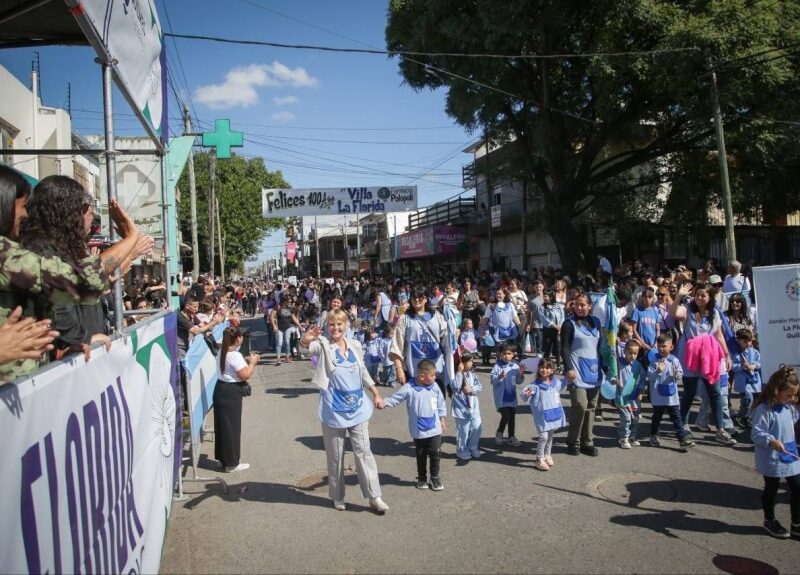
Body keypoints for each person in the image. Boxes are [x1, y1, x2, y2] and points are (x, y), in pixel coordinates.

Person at [300, 311, 388, 513]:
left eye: (340, 324)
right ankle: (338, 495)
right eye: (332, 324)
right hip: (334, 409)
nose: (336, 328)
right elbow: (307, 349)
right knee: (336, 455)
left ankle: (375, 496)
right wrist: (305, 339)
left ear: (347, 325)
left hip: (358, 407)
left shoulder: (355, 345)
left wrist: (375, 393)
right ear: (327, 325)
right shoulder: (322, 344)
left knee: (364, 452)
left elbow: (363, 371)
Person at [670, 282, 736, 446]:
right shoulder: (687, 310)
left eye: (703, 295)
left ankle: (721, 430)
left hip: (709, 357)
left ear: (710, 297)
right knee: (690, 392)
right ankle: (681, 425)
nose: (700, 298)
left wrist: (727, 355)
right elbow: (673, 313)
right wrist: (679, 295)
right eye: (697, 294)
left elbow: (719, 335)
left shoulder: (714, 313)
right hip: (690, 356)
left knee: (715, 393)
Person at [383, 358, 447, 491]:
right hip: (418, 430)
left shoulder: (435, 386)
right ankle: (422, 478)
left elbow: (441, 403)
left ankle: (435, 477)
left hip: (435, 428)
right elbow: (396, 399)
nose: (435, 377)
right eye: (432, 375)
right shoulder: (409, 387)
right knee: (421, 454)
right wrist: (383, 402)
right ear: (422, 376)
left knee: (435, 452)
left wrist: (442, 419)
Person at [750, 366, 799, 539]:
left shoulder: (789, 407)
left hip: (790, 453)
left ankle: (796, 524)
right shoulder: (764, 409)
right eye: (789, 395)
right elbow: (756, 433)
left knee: (797, 487)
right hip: (772, 456)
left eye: (794, 395)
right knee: (772, 488)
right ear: (777, 391)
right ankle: (769, 520)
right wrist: (771, 440)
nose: (792, 399)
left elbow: (792, 421)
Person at [560, 293, 603, 456]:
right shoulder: (569, 324)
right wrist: (568, 368)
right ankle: (573, 440)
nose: (579, 307)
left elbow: (600, 346)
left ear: (590, 306)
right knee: (580, 405)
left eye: (583, 305)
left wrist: (607, 367)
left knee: (591, 407)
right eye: (576, 304)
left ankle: (587, 441)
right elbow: (564, 347)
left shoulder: (596, 323)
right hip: (576, 370)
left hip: (594, 370)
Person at [389, 286, 449, 398]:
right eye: (414, 297)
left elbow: (446, 338)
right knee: (417, 408)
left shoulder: (436, 316)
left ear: (426, 299)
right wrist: (399, 369)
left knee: (438, 408)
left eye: (420, 297)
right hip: (414, 372)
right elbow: (397, 345)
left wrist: (454, 334)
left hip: (436, 372)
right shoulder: (405, 318)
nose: (417, 300)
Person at [215, 327, 260, 472]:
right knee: (232, 428)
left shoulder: (222, 350)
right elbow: (245, 375)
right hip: (231, 392)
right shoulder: (234, 355)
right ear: (239, 338)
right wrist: (252, 362)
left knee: (223, 427)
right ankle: (232, 463)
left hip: (221, 388)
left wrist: (245, 360)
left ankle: (224, 459)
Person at [647, 333, 695, 449]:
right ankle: (653, 436)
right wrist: (658, 371)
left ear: (671, 347)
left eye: (664, 346)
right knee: (657, 417)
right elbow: (650, 376)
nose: (661, 348)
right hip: (658, 396)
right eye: (659, 346)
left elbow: (680, 373)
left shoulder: (674, 360)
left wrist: (677, 374)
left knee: (676, 418)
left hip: (671, 396)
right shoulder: (654, 360)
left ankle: (682, 439)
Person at [523, 358, 566, 471]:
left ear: (552, 370)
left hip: (553, 413)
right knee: (543, 436)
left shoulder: (555, 382)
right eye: (542, 367)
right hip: (541, 415)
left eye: (547, 368)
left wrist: (569, 379)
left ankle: (547, 454)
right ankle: (539, 458)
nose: (544, 370)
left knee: (551, 435)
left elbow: (562, 385)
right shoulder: (535, 385)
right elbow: (523, 395)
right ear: (538, 369)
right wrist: (526, 394)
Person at [449, 353, 483, 460]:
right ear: (462, 362)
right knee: (463, 431)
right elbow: (455, 387)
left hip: (473, 407)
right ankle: (462, 450)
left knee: (476, 427)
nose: (472, 363)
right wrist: (459, 372)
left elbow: (479, 386)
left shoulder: (472, 374)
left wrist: (472, 389)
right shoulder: (454, 374)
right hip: (461, 409)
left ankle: (473, 446)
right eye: (470, 361)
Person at [491, 342, 525, 447]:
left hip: (512, 397)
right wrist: (499, 377)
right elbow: (493, 381)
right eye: (504, 353)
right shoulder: (497, 366)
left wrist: (520, 373)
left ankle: (511, 437)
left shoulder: (515, 366)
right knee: (505, 416)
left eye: (509, 354)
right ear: (500, 354)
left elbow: (518, 381)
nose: (507, 356)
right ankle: (499, 433)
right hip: (501, 398)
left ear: (513, 354)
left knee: (512, 418)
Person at [615, 340, 644, 449]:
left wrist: (640, 392)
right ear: (624, 351)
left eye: (635, 353)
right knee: (626, 417)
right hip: (622, 397)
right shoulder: (618, 363)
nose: (632, 356)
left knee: (634, 418)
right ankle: (623, 437)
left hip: (634, 397)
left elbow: (642, 380)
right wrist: (614, 380)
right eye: (630, 353)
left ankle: (632, 437)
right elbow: (610, 375)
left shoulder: (638, 365)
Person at [732, 328, 762, 428]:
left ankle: (749, 416)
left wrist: (754, 366)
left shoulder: (754, 351)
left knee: (755, 400)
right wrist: (741, 366)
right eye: (745, 341)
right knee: (747, 399)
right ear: (738, 340)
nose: (748, 343)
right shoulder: (735, 353)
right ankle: (743, 417)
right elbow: (732, 366)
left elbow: (760, 361)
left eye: (749, 341)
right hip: (743, 382)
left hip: (754, 381)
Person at [270, 298, 302, 365]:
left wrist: (300, 326)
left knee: (287, 343)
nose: (290, 303)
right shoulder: (278, 307)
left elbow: (294, 318)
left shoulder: (290, 309)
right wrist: (274, 326)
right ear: (284, 301)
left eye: (291, 302)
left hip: (287, 327)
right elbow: (271, 316)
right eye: (289, 302)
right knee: (279, 343)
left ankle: (287, 357)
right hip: (279, 328)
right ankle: (278, 359)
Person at [538, 290, 564, 369]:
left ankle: (559, 365)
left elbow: (562, 315)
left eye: (546, 296)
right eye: (544, 296)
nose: (544, 298)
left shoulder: (558, 306)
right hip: (548, 330)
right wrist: (553, 325)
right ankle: (545, 365)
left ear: (551, 297)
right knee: (547, 348)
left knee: (558, 348)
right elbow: (543, 318)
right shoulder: (542, 307)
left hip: (558, 330)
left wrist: (559, 325)